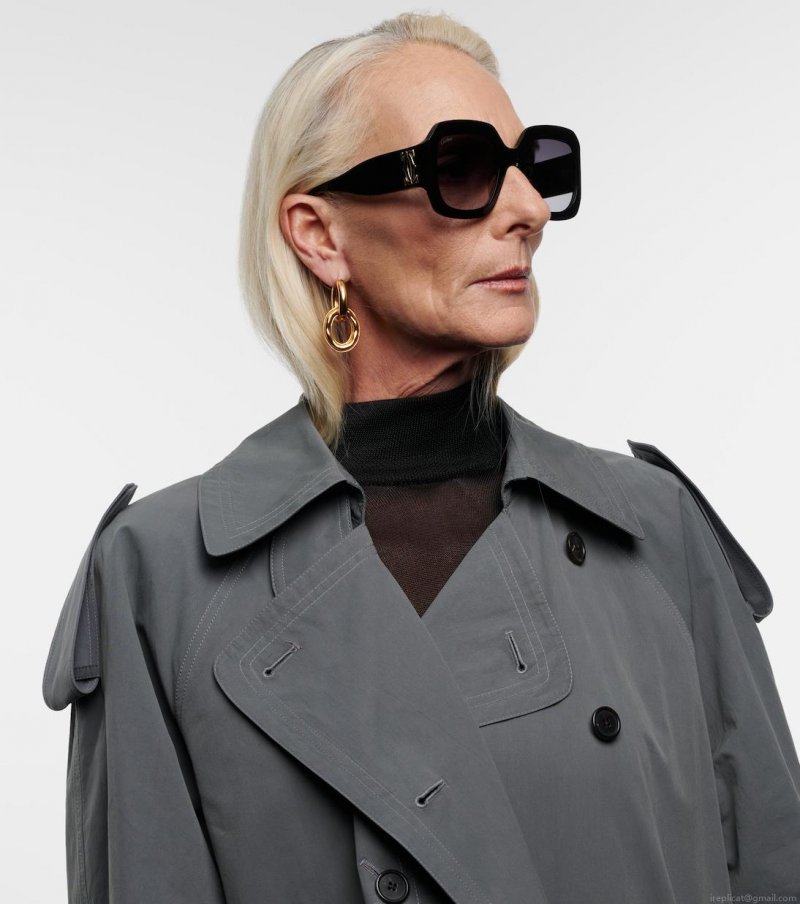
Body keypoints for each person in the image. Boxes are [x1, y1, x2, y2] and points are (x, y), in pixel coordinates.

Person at [42, 11, 800, 904]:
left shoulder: (651, 529)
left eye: (536, 168)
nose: (529, 212)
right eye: (464, 169)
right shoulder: (163, 573)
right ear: (320, 235)